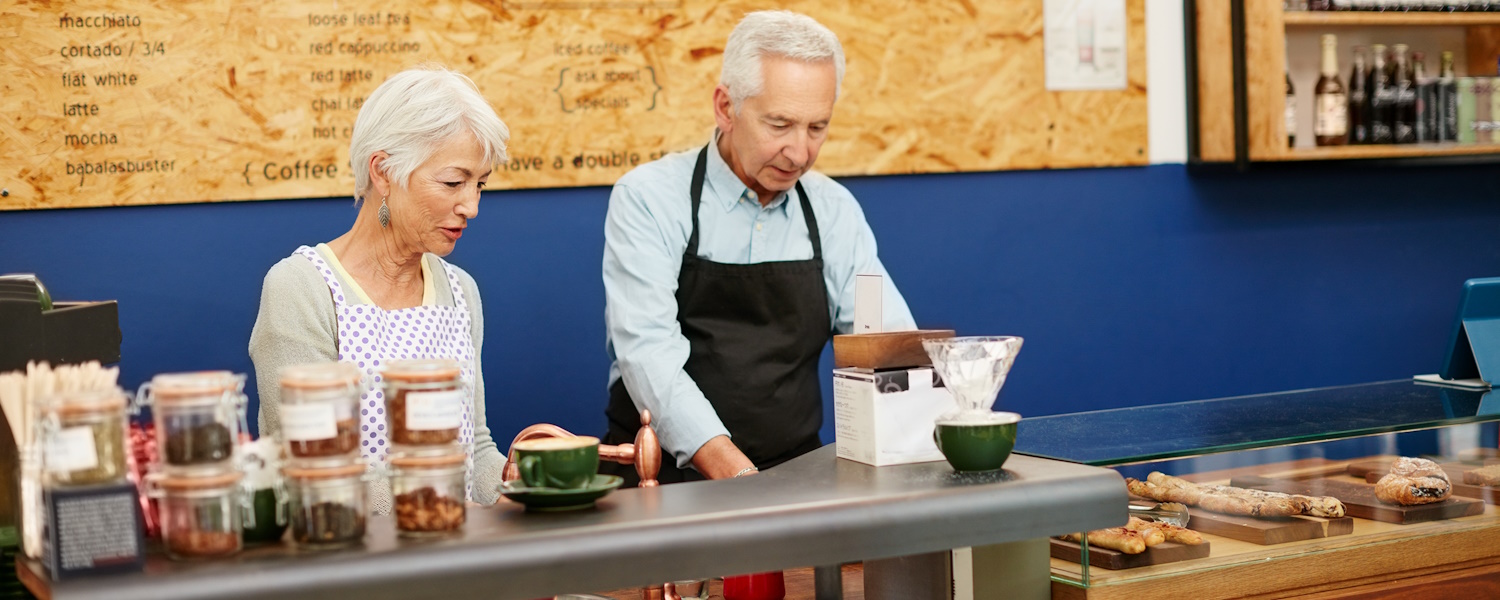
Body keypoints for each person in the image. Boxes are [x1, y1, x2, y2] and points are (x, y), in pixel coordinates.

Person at [602, 11, 916, 485]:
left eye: (817, 128)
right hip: (666, 483)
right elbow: (648, 355)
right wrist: (741, 478)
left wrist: (930, 428)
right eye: (780, 125)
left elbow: (886, 344)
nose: (800, 153)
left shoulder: (833, 210)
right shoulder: (649, 198)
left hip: (796, 476)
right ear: (726, 107)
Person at [250, 65, 510, 510]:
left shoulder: (460, 292)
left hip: (454, 558)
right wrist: (439, 510)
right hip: (344, 562)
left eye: (480, 184)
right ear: (384, 171)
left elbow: (476, 450)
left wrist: (522, 495)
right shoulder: (303, 288)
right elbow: (313, 467)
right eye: (453, 182)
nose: (471, 206)